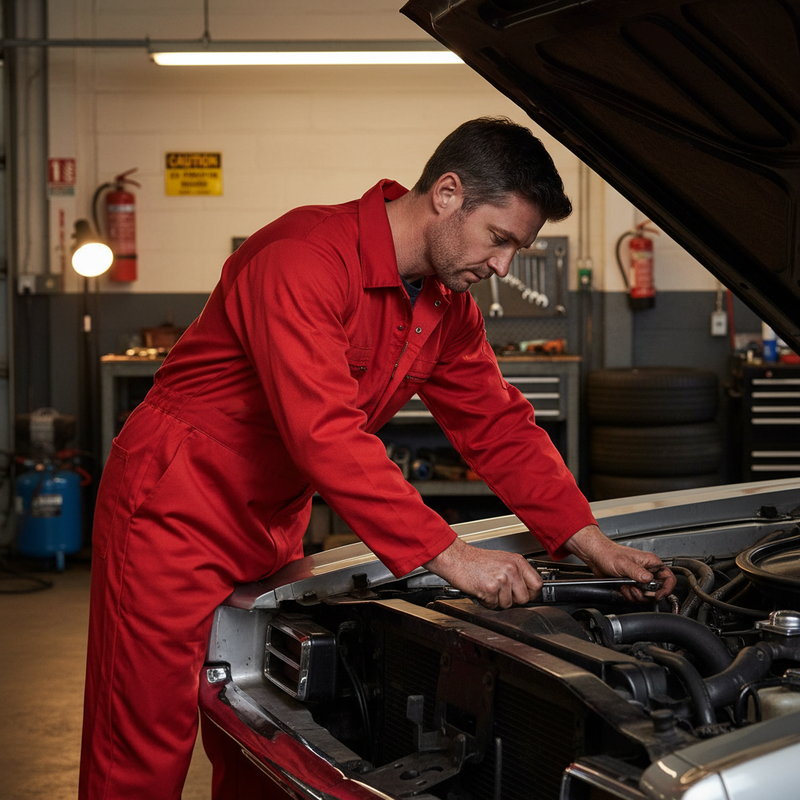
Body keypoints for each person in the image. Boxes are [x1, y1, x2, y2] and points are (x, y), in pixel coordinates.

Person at [79, 116, 675, 799]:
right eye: (500, 239)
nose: (505, 266)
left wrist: (586, 537)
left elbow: (497, 425)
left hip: (272, 519)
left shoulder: (447, 307)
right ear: (447, 194)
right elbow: (324, 433)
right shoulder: (302, 257)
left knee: (256, 727)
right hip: (173, 504)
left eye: (519, 247)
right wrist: (449, 554)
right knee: (143, 740)